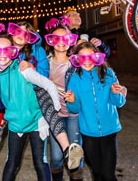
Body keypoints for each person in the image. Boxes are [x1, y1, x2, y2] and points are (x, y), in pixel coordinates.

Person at [0, 22, 83, 180]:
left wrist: (30, 67)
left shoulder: (36, 51)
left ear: (30, 38)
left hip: (35, 95)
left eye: (26, 33)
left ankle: (68, 150)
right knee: (0, 127)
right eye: (18, 31)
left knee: (41, 157)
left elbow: (44, 77)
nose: (21, 35)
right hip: (12, 104)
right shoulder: (1, 53)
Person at [0, 33, 61, 181]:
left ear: (13, 51)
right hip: (16, 124)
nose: (2, 54)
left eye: (6, 50)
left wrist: (55, 109)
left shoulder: (23, 68)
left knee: (40, 162)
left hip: (37, 121)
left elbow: (47, 83)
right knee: (12, 162)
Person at [66, 41, 127, 181]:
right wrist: (72, 100)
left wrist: (116, 92)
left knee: (108, 174)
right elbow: (74, 109)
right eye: (82, 58)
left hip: (109, 130)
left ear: (97, 57)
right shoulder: (75, 79)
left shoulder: (108, 73)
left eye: (90, 57)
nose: (87, 62)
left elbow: (119, 102)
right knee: (97, 173)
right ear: (77, 59)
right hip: (88, 133)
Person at [45, 24, 84, 181]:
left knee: (75, 156)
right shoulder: (45, 64)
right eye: (57, 38)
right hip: (55, 116)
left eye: (65, 38)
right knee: (55, 157)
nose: (61, 42)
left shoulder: (76, 64)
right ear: (51, 41)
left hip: (74, 114)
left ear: (70, 41)